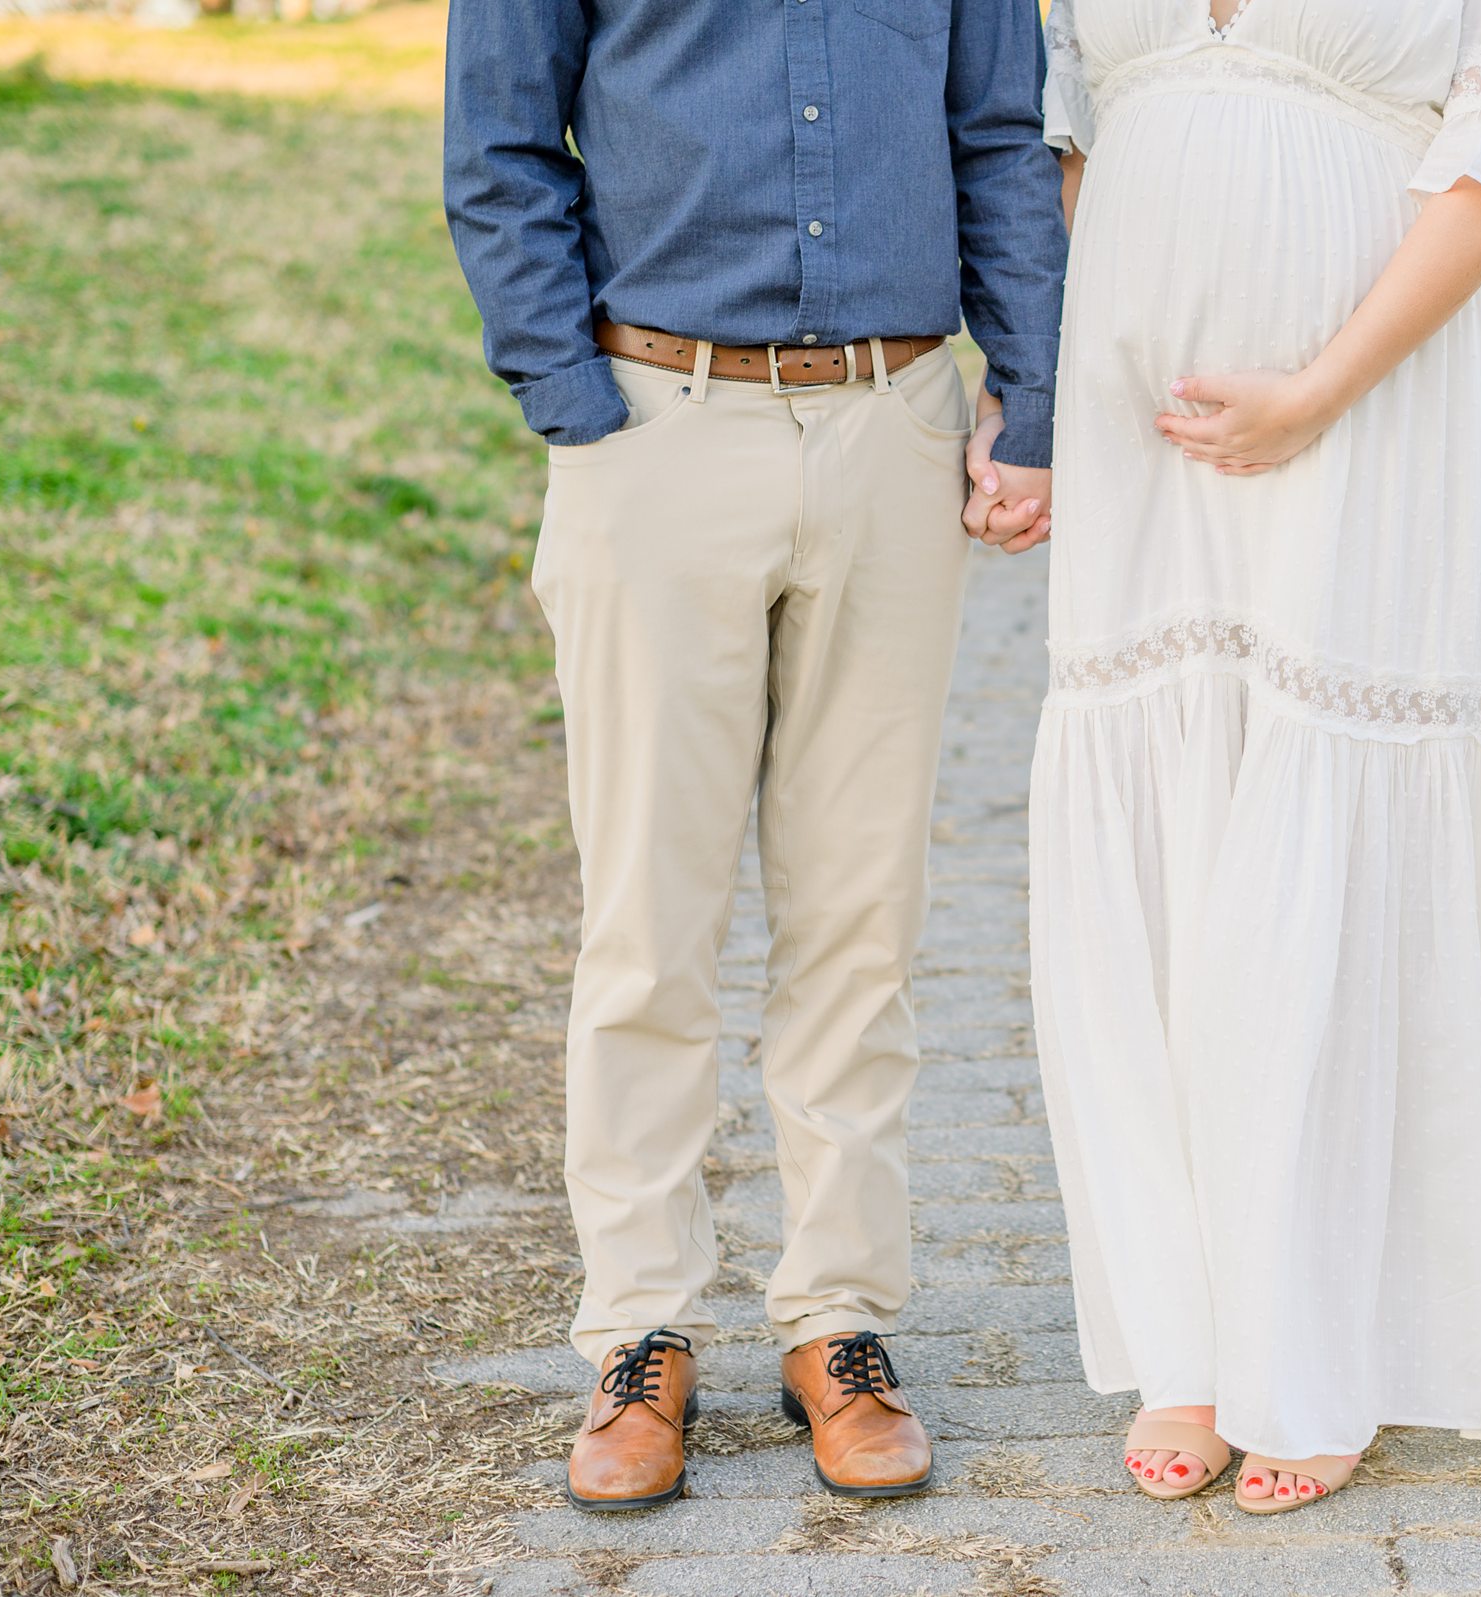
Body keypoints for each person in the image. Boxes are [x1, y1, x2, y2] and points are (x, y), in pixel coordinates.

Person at [442, 0, 1065, 1509]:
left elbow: (997, 132)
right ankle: (638, 1333)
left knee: (860, 910)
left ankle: (838, 1319)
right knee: (648, 915)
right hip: (659, 420)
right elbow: (502, 145)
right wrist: (570, 395)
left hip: (893, 425)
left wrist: (1030, 396)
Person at [1028, 0, 1481, 1514]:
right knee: (1163, 850)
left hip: (1379, 401)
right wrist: (1068, 374)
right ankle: (1190, 1331)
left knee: (1326, 823)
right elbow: (1067, 122)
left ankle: (1322, 1338)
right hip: (1139, 421)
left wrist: (1316, 386)